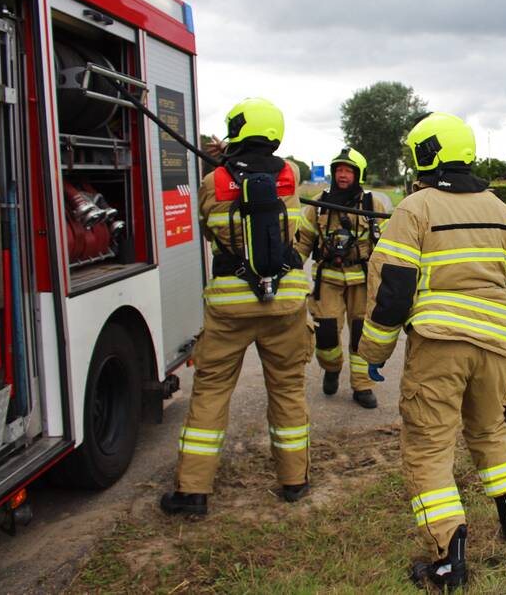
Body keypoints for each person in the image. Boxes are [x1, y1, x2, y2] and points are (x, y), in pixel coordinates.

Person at [357, 112, 506, 590]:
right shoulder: (501, 210)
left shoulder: (415, 209)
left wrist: (374, 350)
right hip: (495, 347)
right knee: (489, 432)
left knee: (428, 447)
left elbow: (394, 288)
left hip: (439, 346)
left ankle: (447, 558)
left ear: (425, 154)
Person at [160, 98, 313, 516]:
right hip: (285, 301)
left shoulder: (214, 181)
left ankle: (193, 491)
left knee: (210, 392)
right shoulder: (291, 174)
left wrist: (220, 164)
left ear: (237, 131)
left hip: (231, 304)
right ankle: (294, 479)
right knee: (287, 389)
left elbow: (206, 225)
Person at [296, 148, 381, 409]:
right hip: (328, 281)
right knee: (327, 337)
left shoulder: (371, 206)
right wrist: (286, 272)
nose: (343, 175)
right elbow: (303, 243)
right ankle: (332, 368)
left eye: (348, 171)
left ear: (358, 174)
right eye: (339, 170)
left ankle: (362, 385)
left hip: (362, 283)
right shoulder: (319, 204)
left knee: (360, 336)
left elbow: (386, 246)